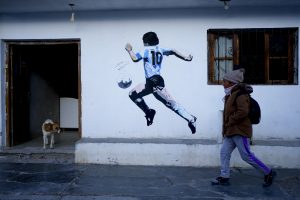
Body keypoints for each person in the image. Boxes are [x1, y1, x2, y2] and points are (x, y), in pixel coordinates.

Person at [211, 68, 276, 187]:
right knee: (224, 152)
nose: (222, 83)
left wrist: (230, 120)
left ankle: (269, 172)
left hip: (240, 131)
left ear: (231, 82)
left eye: (224, 81)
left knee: (246, 156)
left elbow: (243, 111)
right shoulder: (230, 94)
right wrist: (226, 127)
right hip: (231, 131)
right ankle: (224, 176)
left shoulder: (241, 94)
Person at [125, 31, 197, 134]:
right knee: (133, 94)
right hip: (152, 81)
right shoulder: (160, 49)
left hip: (154, 82)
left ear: (146, 42)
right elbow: (173, 51)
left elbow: (135, 58)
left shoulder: (146, 50)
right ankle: (148, 112)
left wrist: (129, 50)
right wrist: (186, 57)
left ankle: (191, 118)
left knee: (171, 104)